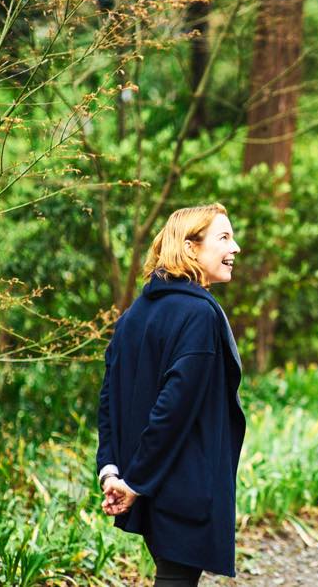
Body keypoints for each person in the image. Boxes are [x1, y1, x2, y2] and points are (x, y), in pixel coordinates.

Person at [96, 203, 246, 586]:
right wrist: (133, 482)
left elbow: (108, 399)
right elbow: (173, 408)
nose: (236, 248)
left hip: (147, 484)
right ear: (191, 248)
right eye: (224, 238)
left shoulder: (134, 314)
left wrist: (112, 470)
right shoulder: (199, 315)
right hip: (181, 489)